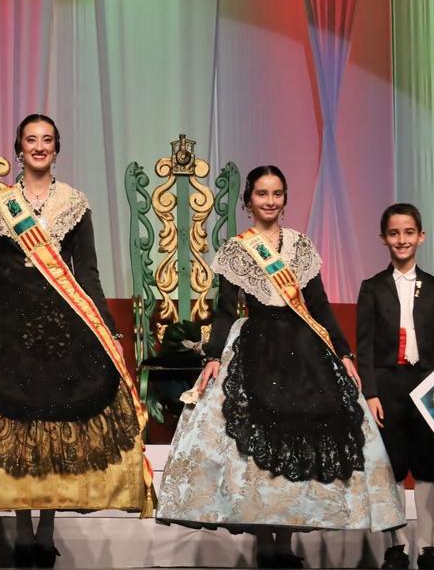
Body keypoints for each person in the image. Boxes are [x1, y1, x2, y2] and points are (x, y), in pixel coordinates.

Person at [0, 114, 153, 567]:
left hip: (65, 323)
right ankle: (22, 528)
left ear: (57, 149)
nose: (39, 147)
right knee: (21, 426)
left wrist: (106, 325)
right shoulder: (1, 205)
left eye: (47, 140)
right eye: (31, 140)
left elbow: (87, 272)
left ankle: (46, 528)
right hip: (11, 322)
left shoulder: (75, 204)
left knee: (55, 422)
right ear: (19, 149)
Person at [156, 165, 404, 569]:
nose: (269, 201)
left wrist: (343, 354)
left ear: (285, 200)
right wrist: (215, 356)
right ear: (248, 201)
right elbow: (224, 309)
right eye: (261, 194)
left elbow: (319, 304)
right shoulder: (237, 249)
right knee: (253, 442)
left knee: (300, 433)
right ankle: (263, 542)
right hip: (257, 345)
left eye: (277, 194)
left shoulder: (302, 246)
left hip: (304, 348)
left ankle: (285, 542)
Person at [356, 204, 434, 570]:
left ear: (421, 236)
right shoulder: (372, 288)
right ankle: (395, 546)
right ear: (383, 239)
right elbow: (363, 345)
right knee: (392, 465)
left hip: (427, 384)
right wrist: (371, 392)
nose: (402, 240)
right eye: (394, 233)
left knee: (428, 465)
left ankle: (427, 546)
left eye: (409, 232)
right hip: (388, 384)